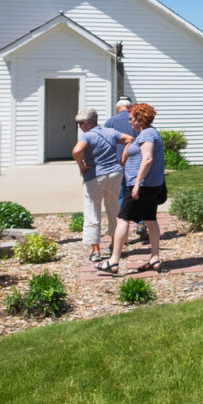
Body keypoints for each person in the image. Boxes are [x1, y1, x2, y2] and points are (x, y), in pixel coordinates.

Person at [97, 102, 166, 276]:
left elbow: (148, 159)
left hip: (142, 186)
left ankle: (113, 262)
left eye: (131, 119)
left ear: (139, 118)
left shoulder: (148, 134)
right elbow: (137, 148)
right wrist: (126, 154)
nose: (129, 122)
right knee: (150, 219)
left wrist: (136, 183)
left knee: (123, 219)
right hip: (151, 185)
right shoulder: (148, 133)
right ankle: (155, 258)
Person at [72, 108, 134, 262]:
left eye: (81, 123)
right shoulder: (111, 132)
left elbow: (76, 151)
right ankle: (114, 245)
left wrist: (81, 166)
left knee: (93, 211)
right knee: (114, 209)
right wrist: (123, 160)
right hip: (114, 174)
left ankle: (96, 251)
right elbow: (130, 139)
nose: (79, 126)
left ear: (90, 122)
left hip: (94, 176)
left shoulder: (87, 136)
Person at [104, 96, 142, 239]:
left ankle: (120, 228)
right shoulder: (137, 121)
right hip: (136, 163)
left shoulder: (110, 122)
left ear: (117, 107)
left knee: (120, 196)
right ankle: (141, 223)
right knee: (137, 193)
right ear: (130, 106)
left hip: (117, 164)